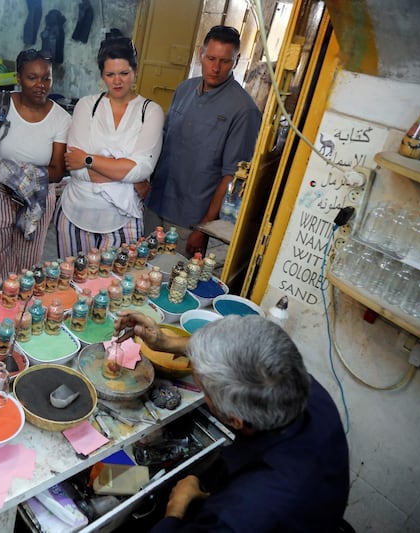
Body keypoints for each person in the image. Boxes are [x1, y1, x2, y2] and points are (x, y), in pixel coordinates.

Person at [115, 311, 350, 532]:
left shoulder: (236, 517)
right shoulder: (303, 388)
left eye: (203, 388)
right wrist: (167, 343)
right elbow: (245, 352)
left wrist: (176, 510)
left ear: (234, 421)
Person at [147, 25, 262, 256]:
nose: (216, 67)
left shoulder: (243, 110)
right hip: (155, 203)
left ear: (236, 62)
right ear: (201, 54)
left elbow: (231, 176)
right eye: (211, 58)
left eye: (225, 61)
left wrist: (204, 227)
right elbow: (161, 140)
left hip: (188, 220)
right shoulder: (184, 89)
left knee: (172, 281)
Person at [56, 30, 164, 258]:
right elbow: (76, 172)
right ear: (102, 75)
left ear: (135, 71)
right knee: (73, 285)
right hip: (75, 213)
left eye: (124, 73)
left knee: (115, 287)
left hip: (123, 219)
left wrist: (89, 159)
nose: (117, 81)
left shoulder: (149, 111)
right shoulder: (87, 106)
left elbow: (142, 169)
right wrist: (125, 173)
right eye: (110, 74)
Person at [0, 48, 71, 278]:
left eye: (46, 77)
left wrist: (2, 169)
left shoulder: (61, 118)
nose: (41, 84)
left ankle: (19, 309)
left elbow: (57, 171)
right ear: (19, 78)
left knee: (27, 260)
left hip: (36, 198)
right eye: (32, 77)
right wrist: (9, 175)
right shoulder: (0, 104)